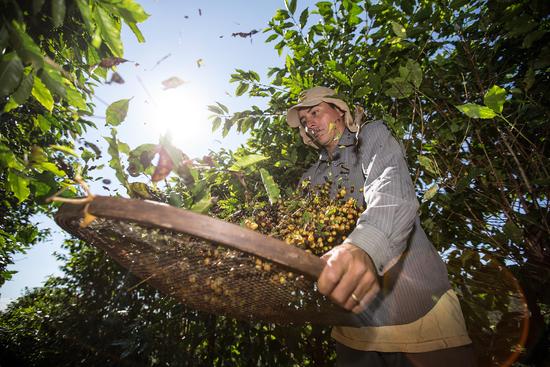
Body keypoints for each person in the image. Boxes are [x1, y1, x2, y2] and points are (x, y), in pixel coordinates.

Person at [286, 86, 476, 366]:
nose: (310, 123)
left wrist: (364, 245)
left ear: (339, 111)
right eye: (304, 121)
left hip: (418, 313)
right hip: (351, 327)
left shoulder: (370, 136)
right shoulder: (310, 178)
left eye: (315, 112)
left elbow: (391, 188)